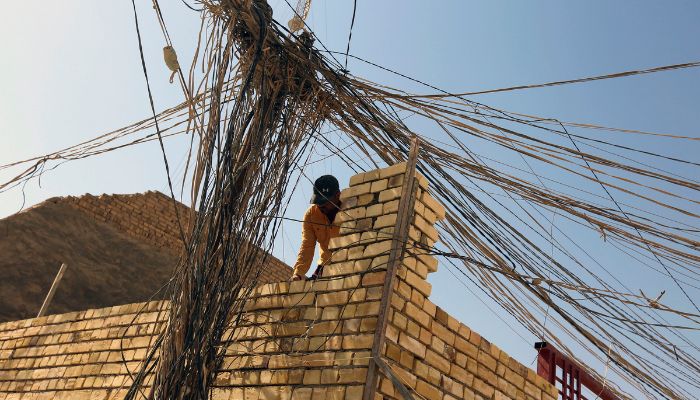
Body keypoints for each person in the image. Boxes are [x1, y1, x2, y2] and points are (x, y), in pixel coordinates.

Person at [291, 175, 342, 281]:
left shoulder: (352, 208)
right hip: (325, 264)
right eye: (318, 202)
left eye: (325, 202)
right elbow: (307, 245)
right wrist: (299, 273)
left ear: (337, 195)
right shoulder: (311, 215)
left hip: (349, 260)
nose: (320, 206)